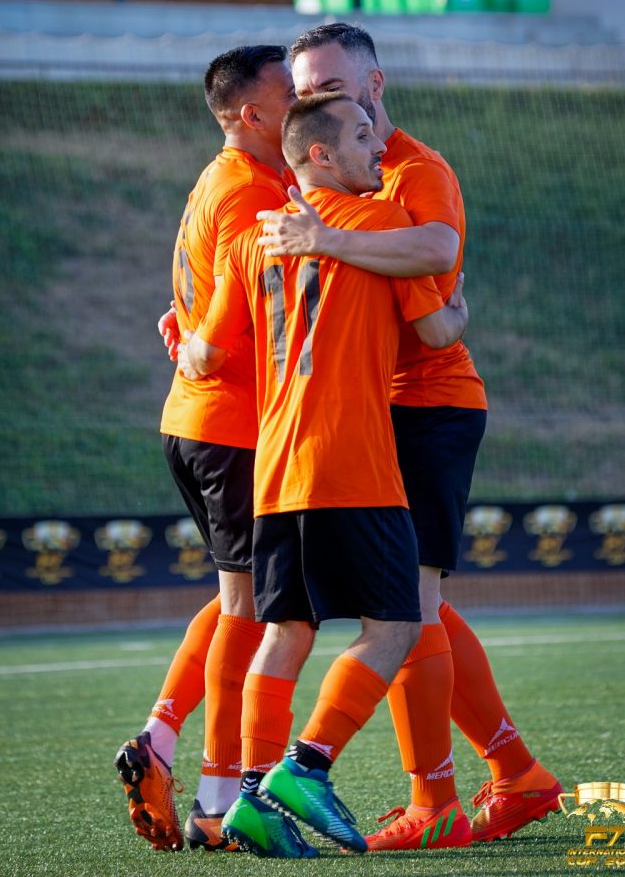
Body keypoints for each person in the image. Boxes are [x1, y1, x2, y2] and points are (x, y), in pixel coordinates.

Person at [255, 22, 562, 849]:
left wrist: (326, 239)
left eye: (331, 86)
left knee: (406, 608)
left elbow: (435, 250)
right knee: (410, 607)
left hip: (426, 404)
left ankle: (435, 803)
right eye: (304, 91)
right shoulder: (326, 182)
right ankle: (514, 773)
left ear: (374, 84)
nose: (316, 100)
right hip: (368, 412)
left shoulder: (413, 172)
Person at [178, 93, 470, 858]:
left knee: (285, 632)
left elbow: (206, 352)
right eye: (362, 135)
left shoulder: (253, 239)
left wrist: (179, 343)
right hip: (353, 464)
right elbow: (435, 327)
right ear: (320, 154)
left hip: (275, 469)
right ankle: (305, 766)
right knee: (397, 624)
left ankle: (249, 801)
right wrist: (461, 308)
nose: (377, 147)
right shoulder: (380, 225)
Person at [114, 45, 297, 851]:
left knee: (239, 601)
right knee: (251, 610)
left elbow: (197, 300)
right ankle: (218, 801)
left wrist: (189, 336)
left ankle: (159, 740)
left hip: (199, 422)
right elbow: (224, 324)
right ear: (251, 114)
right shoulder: (251, 191)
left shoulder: (217, 177)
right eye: (290, 94)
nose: (303, 102)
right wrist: (200, 344)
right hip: (232, 427)